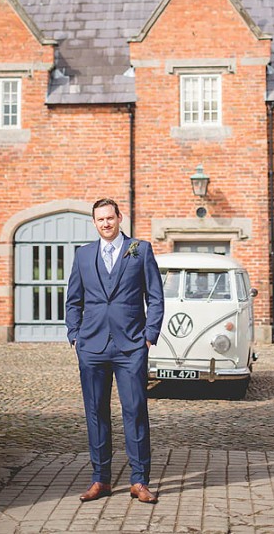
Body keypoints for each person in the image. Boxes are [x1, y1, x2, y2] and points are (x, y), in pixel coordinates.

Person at [65, 198, 164, 504]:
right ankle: (101, 479)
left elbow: (156, 297)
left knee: (135, 412)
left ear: (119, 218)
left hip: (131, 346)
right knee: (96, 413)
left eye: (110, 218)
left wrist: (148, 336)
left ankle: (139, 480)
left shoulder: (141, 250)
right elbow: (74, 300)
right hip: (92, 347)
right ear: (94, 223)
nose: (106, 223)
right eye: (100, 220)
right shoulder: (83, 255)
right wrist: (75, 336)